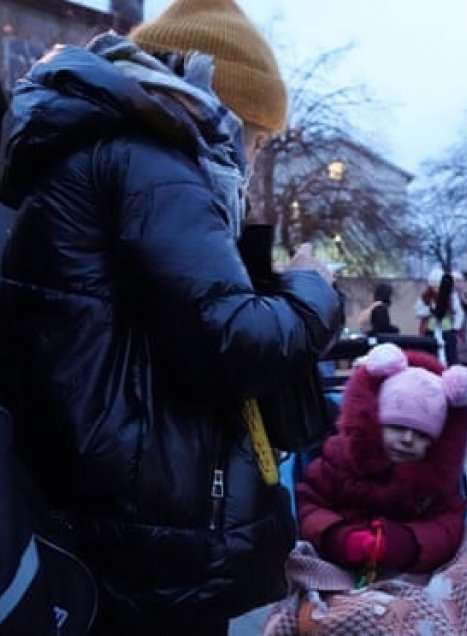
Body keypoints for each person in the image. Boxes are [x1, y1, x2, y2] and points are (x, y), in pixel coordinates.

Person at [0, 1, 342, 633]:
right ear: (223, 102)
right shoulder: (154, 162)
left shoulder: (95, 150)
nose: (254, 155)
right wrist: (312, 290)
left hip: (89, 500)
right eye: (258, 134)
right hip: (139, 521)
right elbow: (232, 341)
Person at [297, 343, 467, 577]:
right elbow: (308, 505)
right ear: (376, 423)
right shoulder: (339, 459)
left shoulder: (436, 481)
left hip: (410, 571)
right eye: (398, 427)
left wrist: (408, 543)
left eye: (422, 434)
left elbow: (449, 524)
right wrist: (340, 538)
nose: (408, 439)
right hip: (337, 565)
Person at [416, 269, 464, 364]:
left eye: (438, 286)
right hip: (430, 330)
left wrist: (455, 328)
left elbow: (459, 313)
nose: (436, 289)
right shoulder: (426, 297)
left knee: (450, 355)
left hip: (447, 330)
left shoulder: (451, 296)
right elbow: (419, 311)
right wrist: (430, 310)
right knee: (430, 355)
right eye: (434, 286)